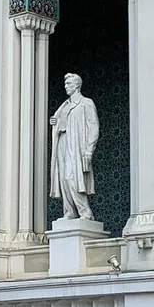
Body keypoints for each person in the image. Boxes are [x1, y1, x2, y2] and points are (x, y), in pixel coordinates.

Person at [49, 73, 99, 222]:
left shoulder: (86, 103)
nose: (66, 87)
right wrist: (55, 122)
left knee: (72, 178)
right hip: (62, 143)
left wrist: (90, 149)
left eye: (69, 84)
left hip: (76, 145)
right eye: (65, 84)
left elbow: (94, 127)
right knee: (64, 178)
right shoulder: (64, 105)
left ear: (77, 85)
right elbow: (60, 121)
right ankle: (69, 212)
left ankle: (85, 212)